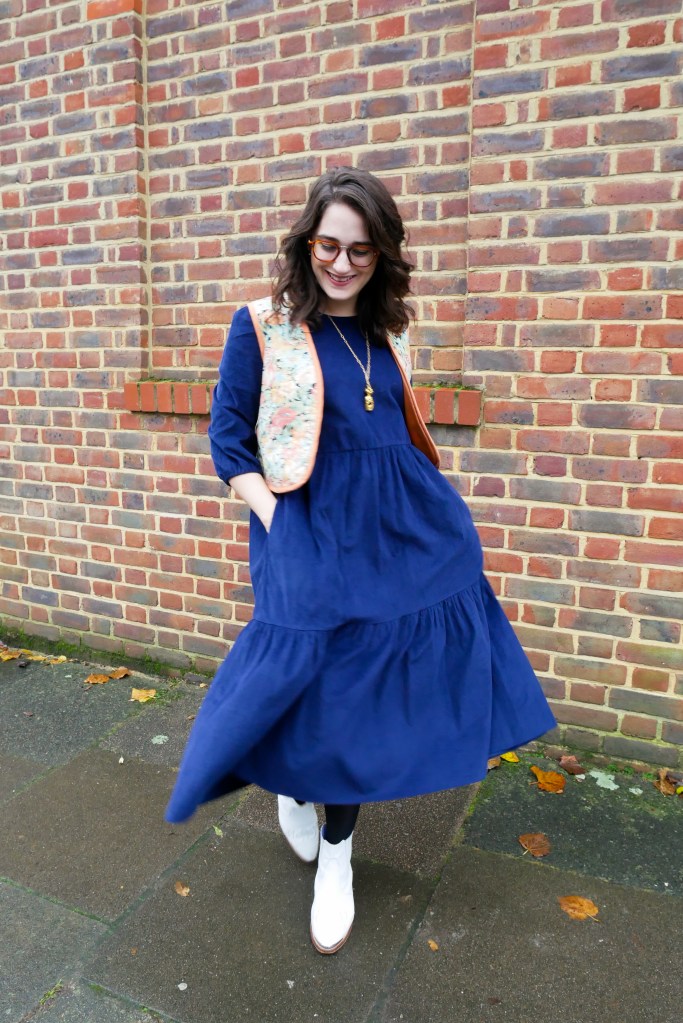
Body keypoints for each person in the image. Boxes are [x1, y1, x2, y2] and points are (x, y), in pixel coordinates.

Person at [165, 167, 556, 954]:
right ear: (305, 241)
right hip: (306, 525)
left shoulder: (387, 330)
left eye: (361, 252)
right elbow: (227, 443)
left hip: (399, 530)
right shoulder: (262, 324)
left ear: (384, 258)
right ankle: (289, 785)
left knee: (362, 699)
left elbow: (394, 431)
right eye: (327, 246)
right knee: (313, 683)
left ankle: (336, 858)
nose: (341, 264)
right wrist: (285, 527)